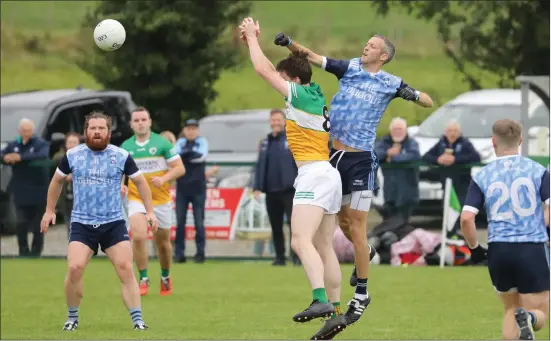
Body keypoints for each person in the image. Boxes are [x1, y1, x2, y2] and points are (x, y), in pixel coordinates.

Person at [273, 31, 433, 325]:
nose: (366, 46)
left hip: (360, 160)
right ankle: (365, 255)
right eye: (367, 43)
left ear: (383, 56)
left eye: (372, 46)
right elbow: (311, 56)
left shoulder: (390, 82)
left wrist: (411, 94)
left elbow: (428, 101)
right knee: (343, 225)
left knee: (356, 228)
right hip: (333, 157)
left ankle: (361, 293)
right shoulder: (350, 68)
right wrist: (289, 44)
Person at [241, 18, 345, 339]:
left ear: (295, 80)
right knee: (323, 245)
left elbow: (264, 72)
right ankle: (337, 312)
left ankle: (319, 301)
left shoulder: (300, 94)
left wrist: (250, 37)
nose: (280, 85)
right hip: (328, 175)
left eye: (284, 80)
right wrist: (262, 44)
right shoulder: (313, 92)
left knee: (299, 240)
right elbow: (276, 69)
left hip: (314, 174)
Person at [40, 111, 159, 331]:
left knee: (125, 267)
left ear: (108, 132)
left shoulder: (121, 155)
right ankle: (72, 318)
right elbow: (56, 181)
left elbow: (141, 183)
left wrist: (149, 211)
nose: (97, 132)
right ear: (86, 132)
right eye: (92, 128)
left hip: (113, 222)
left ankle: (138, 321)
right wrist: (49, 211)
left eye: (101, 128)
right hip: (82, 223)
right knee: (75, 268)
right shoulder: (73, 155)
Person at [460, 119, 550, 340]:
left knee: (510, 309)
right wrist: (542, 225)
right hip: (531, 248)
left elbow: (466, 218)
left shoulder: (482, 175)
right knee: (539, 314)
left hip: (499, 250)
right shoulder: (537, 170)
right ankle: (529, 319)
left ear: (493, 142)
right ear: (520, 140)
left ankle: (523, 318)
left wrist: (474, 248)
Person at [121, 107, 186, 296]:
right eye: (136, 120)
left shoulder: (162, 144)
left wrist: (164, 179)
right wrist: (122, 184)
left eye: (143, 119)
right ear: (131, 124)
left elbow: (179, 168)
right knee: (139, 236)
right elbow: (120, 171)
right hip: (136, 198)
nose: (140, 123)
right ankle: (143, 278)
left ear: (149, 122)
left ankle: (165, 276)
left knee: (163, 244)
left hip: (160, 200)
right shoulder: (126, 147)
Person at [253, 109, 300, 266]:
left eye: (278, 120)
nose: (275, 123)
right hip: (271, 191)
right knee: (276, 225)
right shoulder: (265, 142)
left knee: (294, 225)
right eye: (273, 120)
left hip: (290, 190)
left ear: (284, 121)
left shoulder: (292, 139)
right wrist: (257, 186)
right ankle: (279, 257)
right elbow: (260, 166)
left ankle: (297, 256)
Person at [1, 118, 50, 257]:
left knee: (38, 226)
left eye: (28, 130)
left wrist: (20, 158)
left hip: (38, 191)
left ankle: (36, 252)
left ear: (32, 131)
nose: (25, 133)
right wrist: (6, 158)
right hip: (20, 190)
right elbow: (3, 155)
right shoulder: (13, 144)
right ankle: (23, 251)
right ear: (19, 131)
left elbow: (42, 155)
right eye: (23, 130)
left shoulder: (41, 144)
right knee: (21, 223)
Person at [423, 121, 480, 236]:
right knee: (448, 213)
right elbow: (426, 156)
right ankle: (451, 236)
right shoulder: (441, 143)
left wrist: (455, 160)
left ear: (459, 132)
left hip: (462, 185)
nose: (452, 134)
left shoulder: (465, 143)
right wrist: (438, 159)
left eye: (455, 131)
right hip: (447, 185)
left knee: (462, 212)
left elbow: (476, 157)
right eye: (450, 131)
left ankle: (465, 237)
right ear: (445, 132)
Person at [174, 119, 209, 263]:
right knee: (180, 222)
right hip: (182, 188)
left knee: (199, 223)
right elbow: (176, 157)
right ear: (184, 130)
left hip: (198, 188)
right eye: (188, 129)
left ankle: (200, 253)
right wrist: (188, 155)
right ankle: (179, 254)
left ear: (198, 131)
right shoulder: (180, 143)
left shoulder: (203, 142)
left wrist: (185, 156)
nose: (191, 131)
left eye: (193, 128)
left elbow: (200, 157)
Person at [374, 117, 421, 223]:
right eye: (395, 129)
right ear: (391, 130)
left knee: (402, 222)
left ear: (405, 130)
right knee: (389, 221)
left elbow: (414, 155)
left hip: (407, 193)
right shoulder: (384, 142)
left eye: (400, 129)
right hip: (389, 192)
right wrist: (387, 153)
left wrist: (393, 158)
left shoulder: (412, 143)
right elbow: (374, 154)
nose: (398, 132)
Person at [53, 132, 82, 238]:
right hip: (65, 196)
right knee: (69, 223)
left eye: (75, 142)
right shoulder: (59, 158)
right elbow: (55, 175)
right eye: (70, 142)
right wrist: (66, 177)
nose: (72, 145)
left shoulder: (86, 158)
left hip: (81, 196)